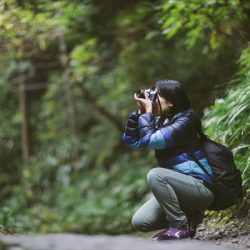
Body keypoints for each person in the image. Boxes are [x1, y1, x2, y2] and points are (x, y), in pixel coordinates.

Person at [122, 79, 214, 240]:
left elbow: (151, 141)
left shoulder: (186, 120)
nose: (152, 100)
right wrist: (140, 114)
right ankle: (189, 217)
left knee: (155, 174)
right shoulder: (161, 121)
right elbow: (132, 141)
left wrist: (148, 113)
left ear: (171, 101)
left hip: (200, 187)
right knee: (141, 222)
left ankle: (179, 226)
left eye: (155, 95)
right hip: (179, 189)